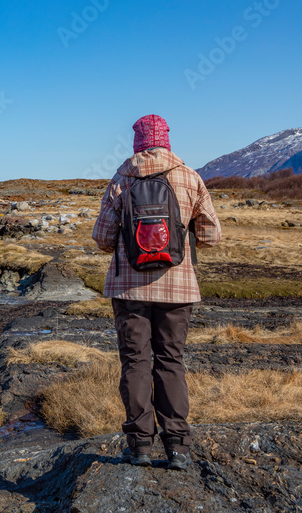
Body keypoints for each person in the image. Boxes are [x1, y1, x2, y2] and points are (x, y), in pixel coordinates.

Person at [92, 114, 222, 470]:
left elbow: (102, 239)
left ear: (135, 142)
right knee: (171, 361)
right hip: (178, 287)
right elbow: (212, 236)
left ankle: (140, 448)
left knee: (135, 362)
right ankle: (178, 447)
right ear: (167, 139)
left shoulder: (121, 179)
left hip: (128, 288)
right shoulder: (189, 177)